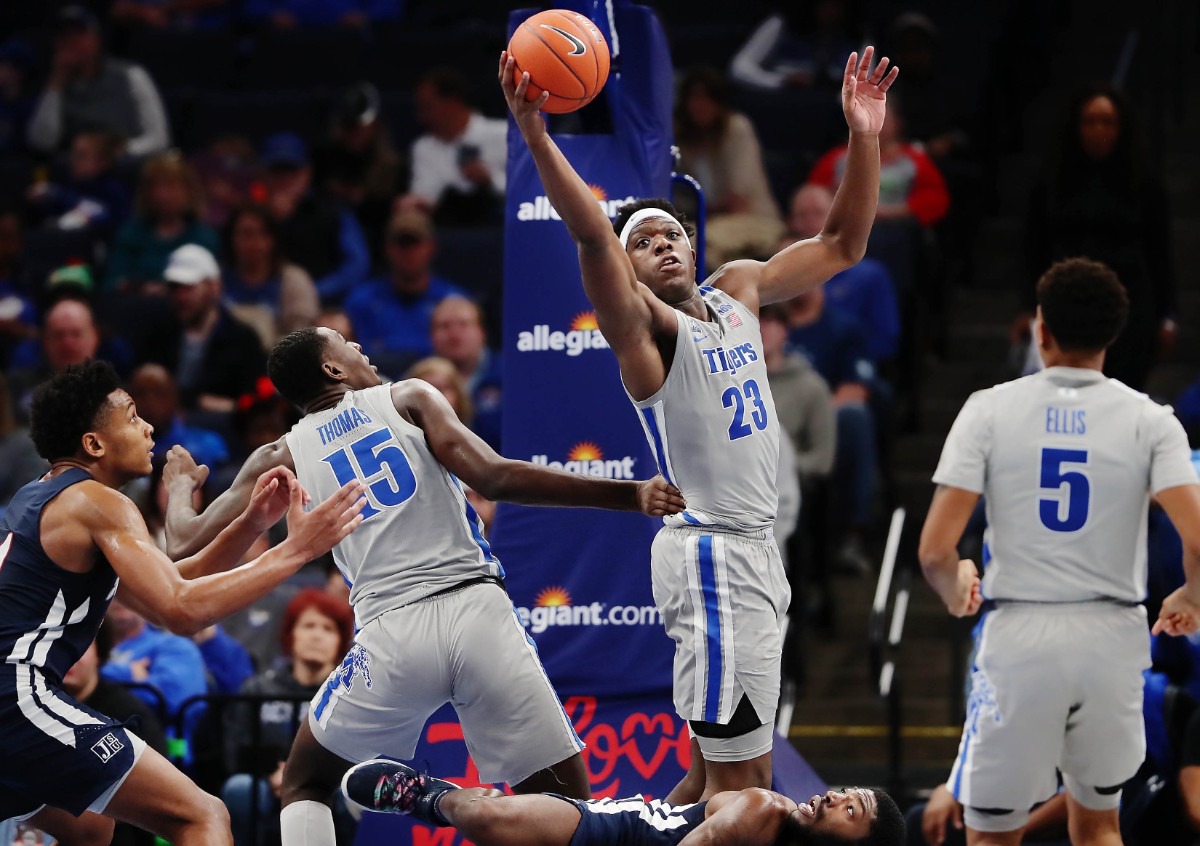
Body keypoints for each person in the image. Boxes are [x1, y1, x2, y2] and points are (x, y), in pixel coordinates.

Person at [501, 46, 897, 801]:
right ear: (631, 273)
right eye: (641, 244)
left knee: (711, 777)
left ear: (695, 244)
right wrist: (538, 136)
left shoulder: (739, 290)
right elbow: (591, 240)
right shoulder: (644, 337)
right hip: (713, 557)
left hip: (755, 554)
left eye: (670, 234)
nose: (661, 246)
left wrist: (864, 136)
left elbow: (845, 244)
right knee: (743, 785)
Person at [162, 326, 687, 844]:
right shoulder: (407, 397)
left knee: (304, 782)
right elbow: (496, 477)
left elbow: (183, 544)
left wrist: (182, 484)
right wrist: (632, 494)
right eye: (347, 343)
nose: (361, 346)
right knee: (565, 804)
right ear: (333, 369)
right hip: (475, 612)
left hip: (391, 636)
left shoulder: (279, 456)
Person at [0, 359, 366, 845]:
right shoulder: (99, 502)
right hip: (14, 698)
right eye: (131, 416)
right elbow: (181, 610)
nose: (148, 426)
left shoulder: (39, 496)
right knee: (203, 815)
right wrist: (298, 549)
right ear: (94, 444)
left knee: (90, 828)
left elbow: (169, 582)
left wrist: (252, 524)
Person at [918, 257, 1200, 846]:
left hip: (1021, 633)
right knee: (1097, 825)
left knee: (992, 833)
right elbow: (1198, 537)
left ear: (1041, 329)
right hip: (1113, 635)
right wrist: (1191, 594)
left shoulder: (990, 409)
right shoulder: (1152, 420)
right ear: (1115, 335)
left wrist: (957, 585)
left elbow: (935, 551)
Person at [341, 757, 906, 846]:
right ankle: (425, 795)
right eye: (843, 794)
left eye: (849, 810)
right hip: (614, 831)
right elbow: (699, 841)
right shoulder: (765, 808)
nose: (831, 797)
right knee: (488, 816)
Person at [1022, 83, 1175, 392]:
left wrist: (1169, 316)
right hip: (1063, 304)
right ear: (1076, 126)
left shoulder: (1145, 182)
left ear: (1122, 127)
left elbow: (1160, 251)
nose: (1098, 129)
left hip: (1132, 308)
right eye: (1090, 121)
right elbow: (1032, 247)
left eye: (1107, 121)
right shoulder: (1052, 180)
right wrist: (1027, 307)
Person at [222, 588, 356, 846]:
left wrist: (305, 777)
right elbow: (235, 750)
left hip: (328, 783)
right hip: (265, 780)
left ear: (340, 640)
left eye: (328, 629)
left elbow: (358, 753)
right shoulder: (258, 689)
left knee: (350, 795)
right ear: (291, 634)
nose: (317, 635)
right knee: (239, 788)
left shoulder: (351, 695)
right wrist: (276, 773)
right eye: (308, 626)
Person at [674, 66, 784, 270]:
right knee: (680, 242)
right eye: (694, 98)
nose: (699, 106)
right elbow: (679, 198)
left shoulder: (737, 129)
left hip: (753, 219)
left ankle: (711, 298)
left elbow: (737, 201)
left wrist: (698, 212)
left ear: (719, 103)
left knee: (693, 243)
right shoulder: (683, 141)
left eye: (706, 99)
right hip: (711, 223)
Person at [26, 5, 170, 158]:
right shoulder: (53, 87)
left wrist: (112, 152)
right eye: (64, 36)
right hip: (78, 172)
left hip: (127, 166)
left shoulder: (131, 75)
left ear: (96, 39)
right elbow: (41, 142)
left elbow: (159, 138)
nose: (71, 42)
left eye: (79, 34)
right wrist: (56, 82)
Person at [142, 243, 268, 415]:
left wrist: (234, 406)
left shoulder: (241, 339)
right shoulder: (159, 332)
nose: (180, 297)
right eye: (174, 288)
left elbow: (255, 400)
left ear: (214, 287)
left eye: (188, 287)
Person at [344, 210, 466, 376]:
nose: (409, 252)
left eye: (415, 243)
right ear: (388, 249)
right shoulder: (361, 301)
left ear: (431, 247)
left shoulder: (453, 302)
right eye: (402, 244)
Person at [258, 132, 370, 306]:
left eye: (291, 171)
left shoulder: (333, 210)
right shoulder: (252, 216)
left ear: (307, 173)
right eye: (277, 171)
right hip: (265, 304)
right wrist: (275, 222)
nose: (284, 180)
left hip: (323, 304)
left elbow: (357, 265)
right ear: (264, 174)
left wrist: (312, 291)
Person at [396, 67, 507, 227]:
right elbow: (424, 195)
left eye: (428, 107)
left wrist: (490, 179)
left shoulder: (503, 135)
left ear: (453, 103)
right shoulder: (423, 148)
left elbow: (526, 192)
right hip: (443, 231)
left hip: (498, 227)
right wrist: (415, 203)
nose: (422, 118)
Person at [103, 150, 220, 292]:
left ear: (189, 190)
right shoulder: (130, 234)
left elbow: (212, 287)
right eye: (155, 187)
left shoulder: (204, 238)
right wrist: (142, 288)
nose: (162, 195)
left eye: (171, 186)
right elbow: (112, 283)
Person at [221, 203, 320, 349]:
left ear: (273, 239)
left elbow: (305, 341)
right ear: (232, 238)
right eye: (247, 234)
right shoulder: (217, 281)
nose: (255, 242)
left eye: (262, 234)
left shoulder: (294, 280)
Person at [429, 294, 502, 450]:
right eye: (444, 326)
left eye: (464, 324)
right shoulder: (419, 380)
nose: (454, 335)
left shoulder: (510, 376)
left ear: (482, 332)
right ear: (431, 336)